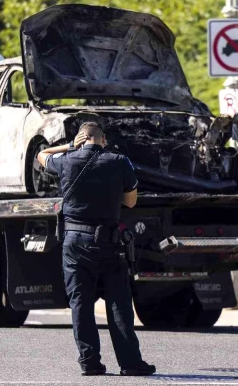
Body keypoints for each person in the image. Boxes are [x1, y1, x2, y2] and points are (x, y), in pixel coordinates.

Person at [37, 121, 155, 377]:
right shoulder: (119, 161)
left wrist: (69, 146)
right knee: (119, 304)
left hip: (74, 242)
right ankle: (131, 363)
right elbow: (131, 202)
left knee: (80, 303)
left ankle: (90, 362)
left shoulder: (66, 160)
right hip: (109, 243)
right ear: (103, 139)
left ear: (82, 138)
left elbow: (41, 155)